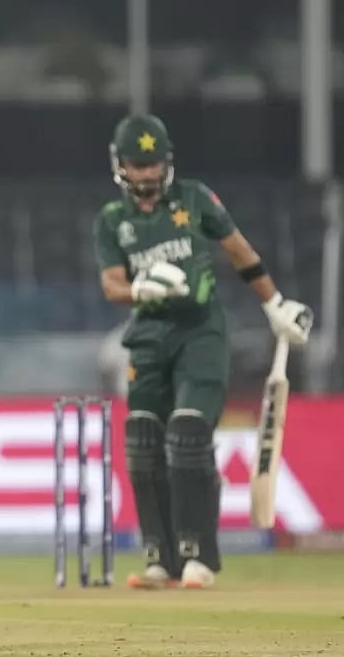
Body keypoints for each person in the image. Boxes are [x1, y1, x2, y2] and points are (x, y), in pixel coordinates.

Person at [92, 114, 313, 589]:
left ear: (165, 163)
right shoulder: (113, 221)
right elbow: (111, 284)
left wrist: (274, 303)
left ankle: (199, 557)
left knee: (189, 433)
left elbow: (238, 251)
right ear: (121, 167)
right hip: (148, 338)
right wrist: (141, 291)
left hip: (200, 333)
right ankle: (159, 558)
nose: (147, 174)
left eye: (153, 164)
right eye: (137, 165)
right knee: (143, 441)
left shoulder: (194, 198)